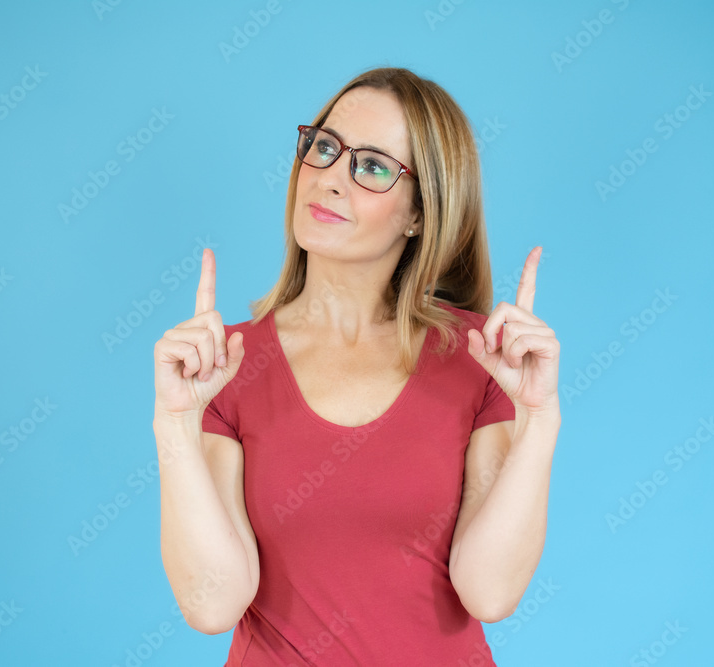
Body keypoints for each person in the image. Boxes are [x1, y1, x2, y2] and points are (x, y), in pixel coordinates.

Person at [152, 66, 561, 665]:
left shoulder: (483, 359)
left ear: (420, 213)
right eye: (324, 148)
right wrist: (173, 423)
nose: (331, 179)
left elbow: (490, 592)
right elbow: (212, 606)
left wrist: (539, 418)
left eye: (371, 167)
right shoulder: (224, 366)